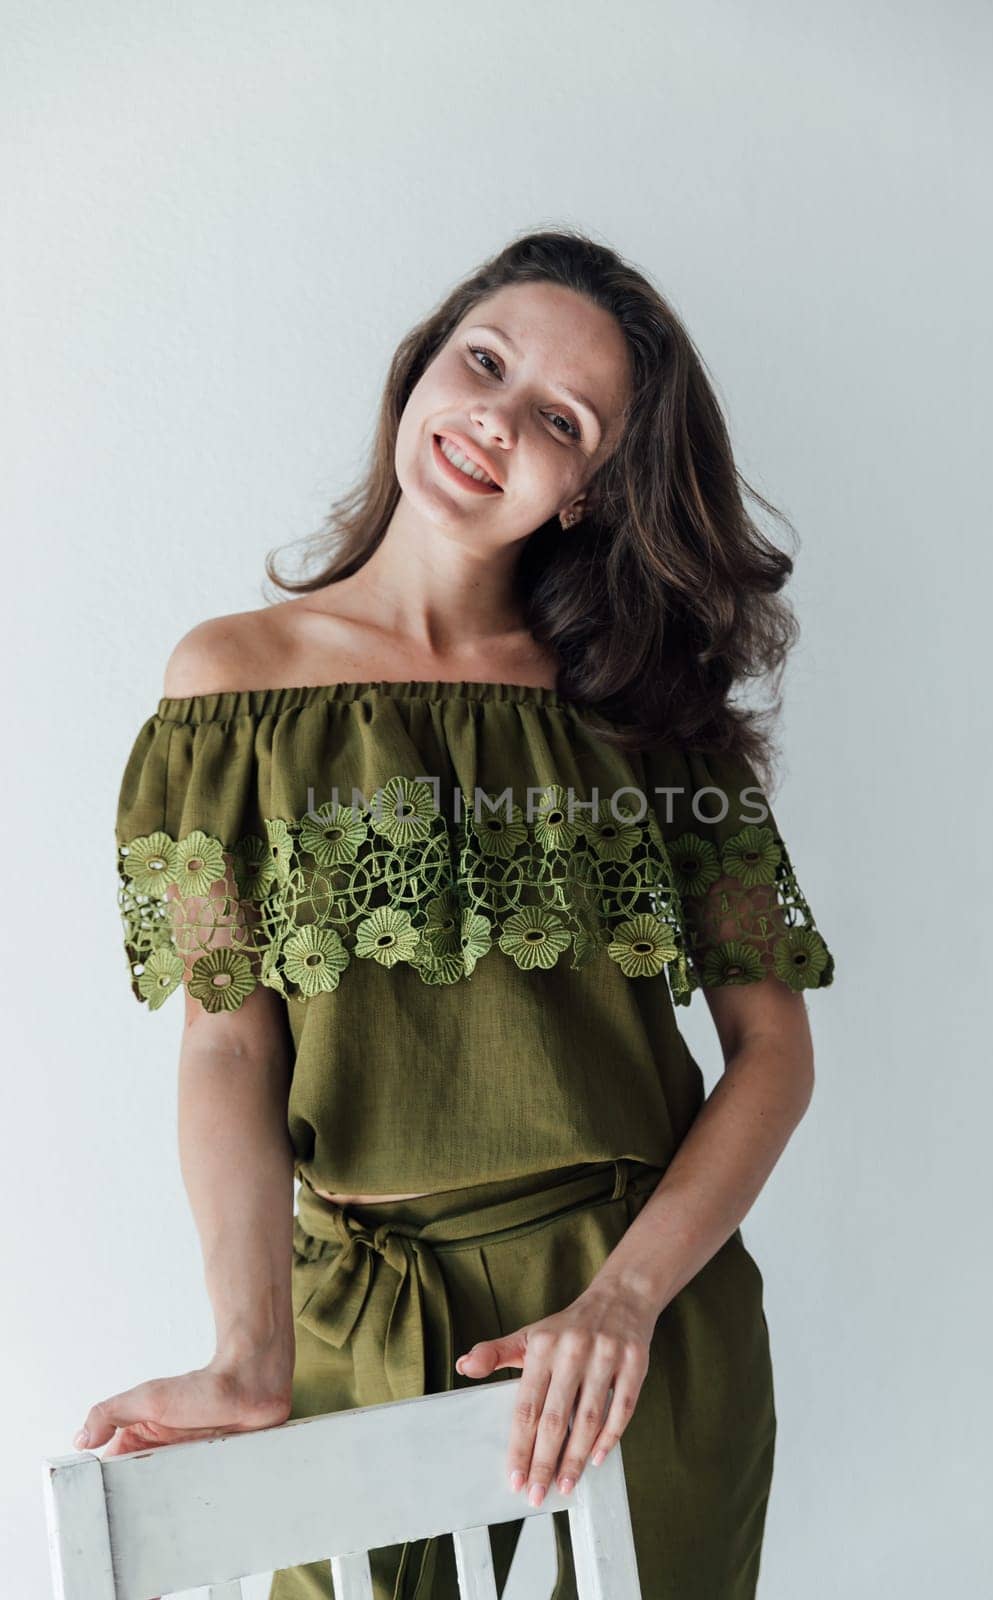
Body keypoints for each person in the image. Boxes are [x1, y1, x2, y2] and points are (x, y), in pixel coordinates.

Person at [75, 227, 836, 1600]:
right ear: (419, 367)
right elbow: (225, 1045)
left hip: (634, 1333)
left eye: (559, 417)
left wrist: (626, 1300)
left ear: (592, 492)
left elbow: (773, 1055)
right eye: (482, 360)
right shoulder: (223, 692)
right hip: (356, 1324)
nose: (494, 416)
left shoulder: (651, 714)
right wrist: (247, 1356)